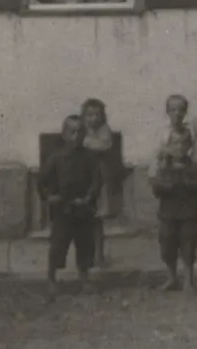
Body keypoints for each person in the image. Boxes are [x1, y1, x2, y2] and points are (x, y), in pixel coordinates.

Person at [40, 114, 101, 301]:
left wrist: (89, 197)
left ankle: (84, 276)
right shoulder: (56, 157)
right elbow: (41, 181)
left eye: (80, 132)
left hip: (83, 208)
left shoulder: (89, 156)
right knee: (58, 244)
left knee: (84, 244)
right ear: (65, 134)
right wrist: (50, 197)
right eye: (72, 132)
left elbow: (97, 181)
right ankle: (51, 278)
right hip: (63, 210)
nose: (76, 136)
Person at [151, 127, 197, 292]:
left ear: (189, 146)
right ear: (167, 145)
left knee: (188, 246)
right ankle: (171, 277)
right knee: (167, 246)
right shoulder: (163, 167)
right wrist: (163, 186)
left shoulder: (194, 166)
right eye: (174, 143)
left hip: (188, 213)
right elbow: (156, 190)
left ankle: (188, 279)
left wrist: (187, 183)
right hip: (167, 214)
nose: (179, 147)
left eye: (183, 143)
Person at [79, 98, 121, 268]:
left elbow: (104, 145)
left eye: (97, 115)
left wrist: (86, 144)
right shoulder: (81, 130)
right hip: (83, 180)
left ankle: (99, 255)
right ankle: (84, 256)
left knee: (97, 221)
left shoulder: (105, 130)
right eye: (89, 115)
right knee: (82, 221)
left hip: (99, 181)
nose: (93, 119)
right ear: (83, 117)